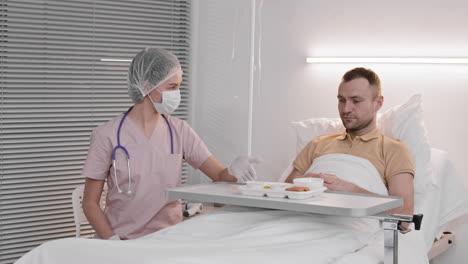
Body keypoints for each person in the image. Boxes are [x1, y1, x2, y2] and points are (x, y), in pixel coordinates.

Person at [82, 47, 261, 240]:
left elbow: (218, 174)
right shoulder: (106, 135)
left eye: (178, 87)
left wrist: (233, 172)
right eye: (171, 87)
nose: (177, 94)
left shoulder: (180, 130)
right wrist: (112, 240)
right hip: (121, 239)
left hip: (168, 236)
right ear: (146, 86)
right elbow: (90, 203)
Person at [285, 67, 414, 217]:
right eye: (341, 100)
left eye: (356, 101)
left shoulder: (394, 150)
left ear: (378, 103)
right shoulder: (317, 144)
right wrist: (308, 184)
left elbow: (404, 216)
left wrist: (350, 191)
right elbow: (284, 193)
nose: (346, 109)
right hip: (299, 218)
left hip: (351, 227)